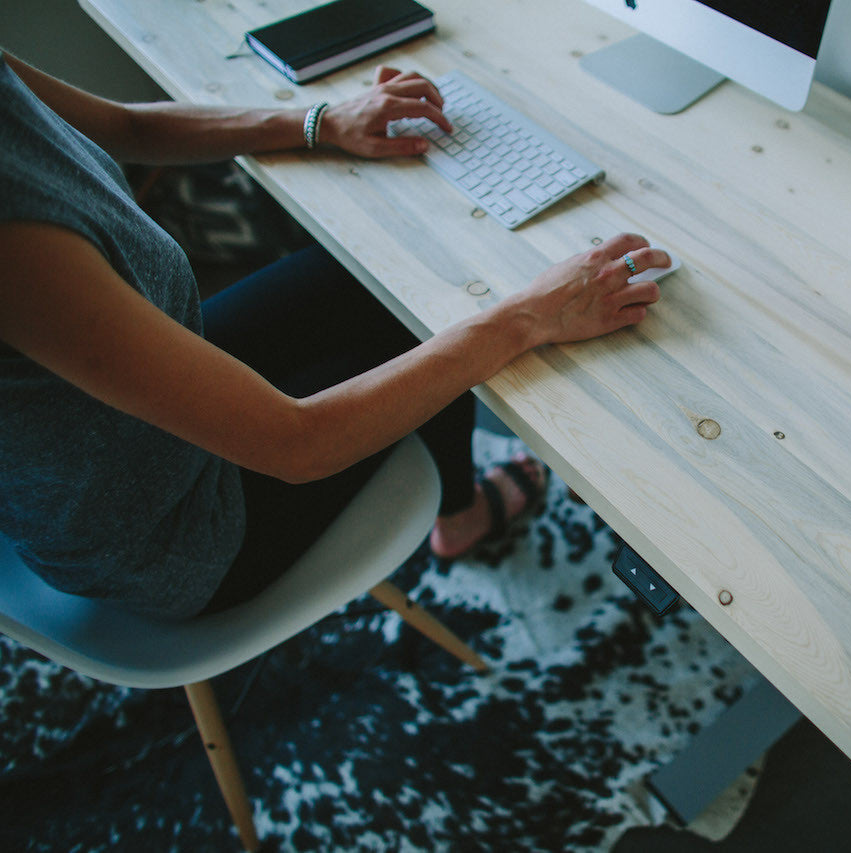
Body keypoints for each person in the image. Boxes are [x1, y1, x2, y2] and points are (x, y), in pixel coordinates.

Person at [0, 52, 668, 618]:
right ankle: (460, 517)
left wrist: (318, 122)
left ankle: (455, 499)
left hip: (138, 425)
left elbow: (123, 125)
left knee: (392, 288)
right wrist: (529, 316)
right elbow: (299, 445)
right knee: (435, 334)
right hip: (170, 530)